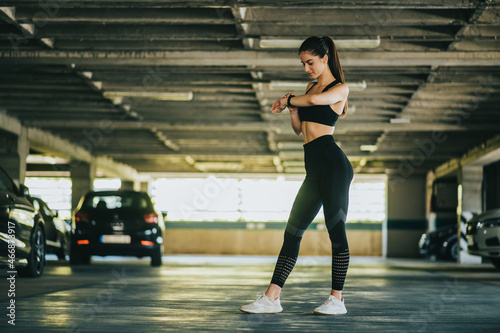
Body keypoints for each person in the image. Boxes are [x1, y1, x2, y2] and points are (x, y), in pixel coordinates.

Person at [239, 36, 353, 315]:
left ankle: (337, 300)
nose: (306, 68)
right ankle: (272, 298)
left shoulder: (340, 88)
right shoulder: (309, 88)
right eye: (303, 64)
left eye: (310, 62)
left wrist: (289, 98)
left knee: (336, 231)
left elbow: (314, 100)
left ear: (325, 59)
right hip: (314, 169)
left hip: (334, 166)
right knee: (293, 232)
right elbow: (301, 130)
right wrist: (292, 110)